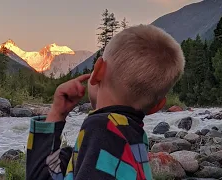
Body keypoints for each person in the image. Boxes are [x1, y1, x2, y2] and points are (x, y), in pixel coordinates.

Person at [26, 24, 185, 180]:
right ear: (157, 106)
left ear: (99, 71)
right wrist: (57, 113)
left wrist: (56, 113)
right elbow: (42, 175)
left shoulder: (101, 129)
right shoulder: (132, 137)